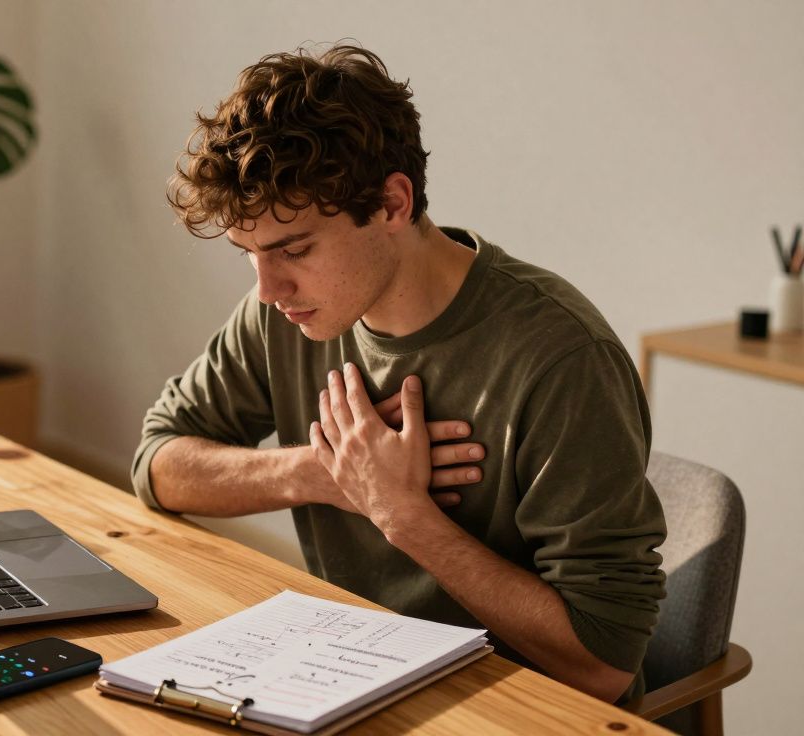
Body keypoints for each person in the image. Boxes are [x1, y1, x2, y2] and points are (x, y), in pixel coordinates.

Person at [131, 43, 666, 703]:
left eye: (294, 249)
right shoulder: (284, 312)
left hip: (523, 709)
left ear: (392, 203)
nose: (268, 288)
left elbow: (604, 663)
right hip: (355, 684)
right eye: (250, 255)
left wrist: (403, 515)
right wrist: (324, 475)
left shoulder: (559, 357)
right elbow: (157, 462)